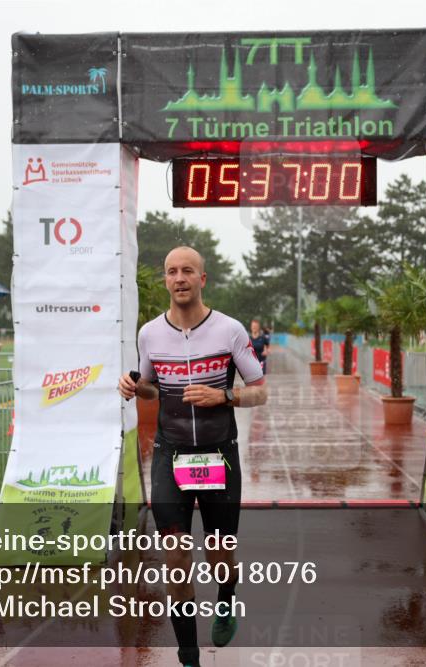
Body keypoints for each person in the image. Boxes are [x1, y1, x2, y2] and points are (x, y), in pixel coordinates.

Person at [119, 247, 267, 667]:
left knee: (220, 557)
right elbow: (150, 386)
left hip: (219, 454)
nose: (179, 278)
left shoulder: (230, 331)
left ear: (204, 279)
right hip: (171, 455)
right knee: (177, 559)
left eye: (188, 270)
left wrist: (225, 395)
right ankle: (188, 656)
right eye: (171, 272)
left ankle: (225, 598)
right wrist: (134, 387)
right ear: (165, 281)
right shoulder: (150, 334)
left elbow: (260, 390)